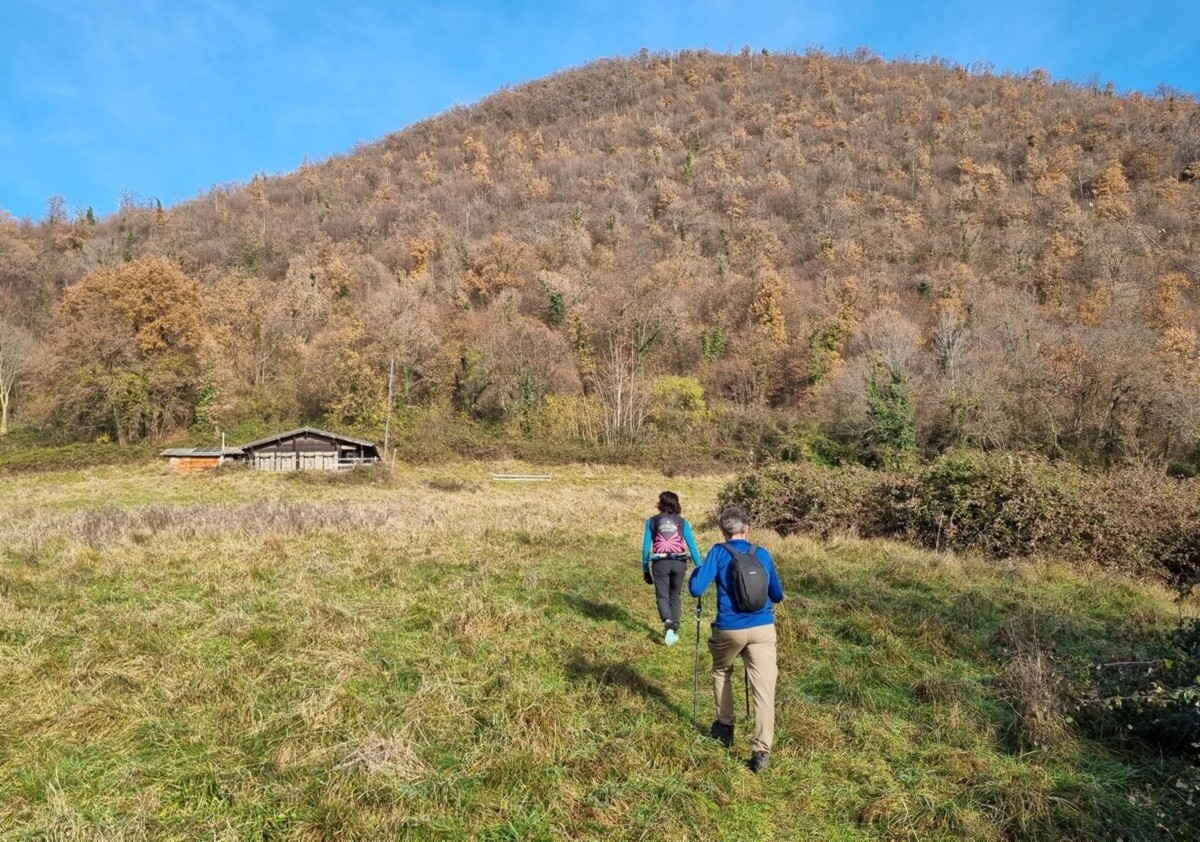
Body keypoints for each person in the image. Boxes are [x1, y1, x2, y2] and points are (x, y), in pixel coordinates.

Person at [688, 504, 785, 773]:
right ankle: (762, 750)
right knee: (764, 690)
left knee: (722, 671)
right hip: (763, 628)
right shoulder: (762, 554)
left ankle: (725, 727)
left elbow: (696, 588)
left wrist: (698, 572)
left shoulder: (718, 553)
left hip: (729, 628)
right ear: (747, 528)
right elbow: (777, 595)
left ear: (723, 530)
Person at [642, 490, 703, 646]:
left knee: (662, 596)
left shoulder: (652, 521)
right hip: (679, 563)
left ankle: (668, 621)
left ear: (660, 504)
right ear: (676, 504)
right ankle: (674, 631)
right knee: (675, 596)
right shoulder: (683, 522)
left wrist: (645, 570)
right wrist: (700, 568)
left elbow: (645, 548)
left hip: (660, 563)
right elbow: (692, 546)